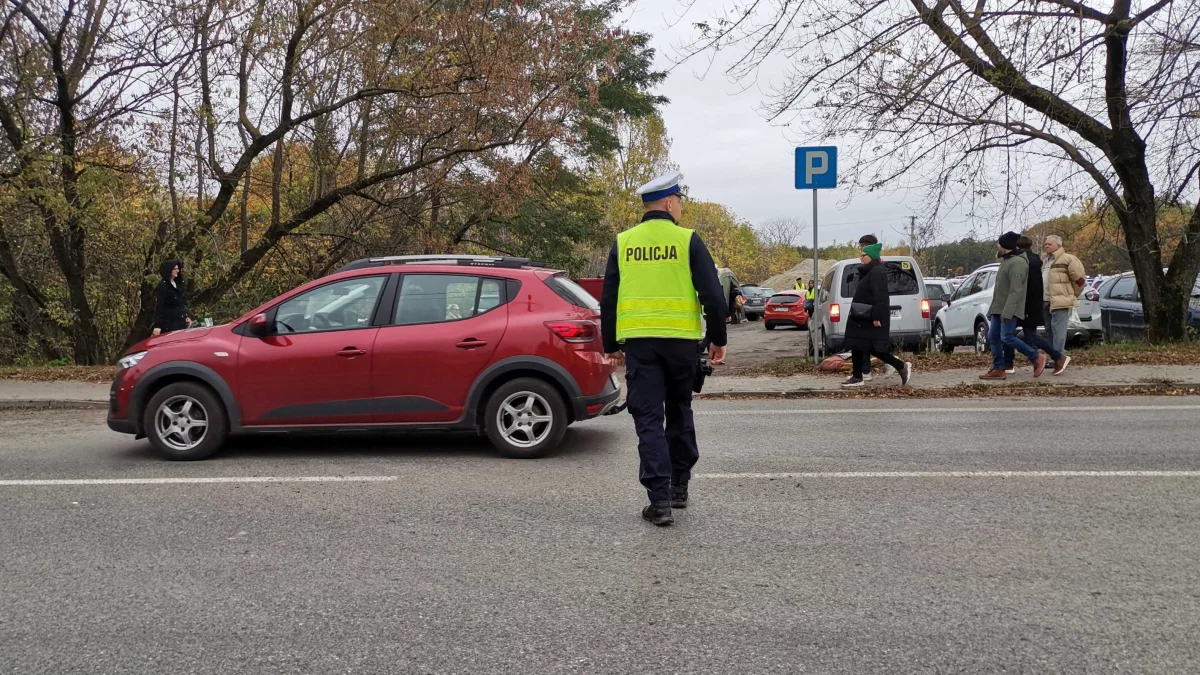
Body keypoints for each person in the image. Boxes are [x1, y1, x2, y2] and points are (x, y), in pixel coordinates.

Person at [601, 170, 729, 527]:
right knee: (679, 409)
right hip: (682, 345)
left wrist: (611, 345)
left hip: (641, 346)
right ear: (671, 203)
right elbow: (713, 296)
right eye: (681, 202)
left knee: (648, 420)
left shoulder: (624, 242)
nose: (681, 208)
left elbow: (609, 298)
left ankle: (659, 503)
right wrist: (718, 338)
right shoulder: (688, 240)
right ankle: (679, 487)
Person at [840, 242, 912, 388]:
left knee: (872, 347)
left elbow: (881, 297)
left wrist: (877, 317)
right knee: (857, 345)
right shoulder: (868, 271)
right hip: (861, 317)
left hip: (870, 317)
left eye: (863, 255)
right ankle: (857, 376)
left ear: (871, 256)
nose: (861, 258)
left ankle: (900, 366)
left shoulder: (877, 272)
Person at [980, 232, 1047, 380]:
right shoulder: (1007, 261)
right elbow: (1001, 289)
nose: (998, 246)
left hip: (1008, 310)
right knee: (993, 337)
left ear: (1006, 246)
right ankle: (999, 368)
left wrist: (1008, 312)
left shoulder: (1017, 263)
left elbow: (1015, 291)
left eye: (1000, 244)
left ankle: (1036, 357)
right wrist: (994, 309)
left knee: (1007, 337)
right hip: (999, 308)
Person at [1003, 236, 1069, 375]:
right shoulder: (1036, 260)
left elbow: (1029, 286)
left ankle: (1011, 362)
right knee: (1025, 335)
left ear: (1017, 247)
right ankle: (1055, 356)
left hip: (1025, 305)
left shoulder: (1025, 262)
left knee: (1007, 335)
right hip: (1031, 304)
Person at [1041, 235, 1086, 358]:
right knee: (1049, 331)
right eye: (1046, 244)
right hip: (1045, 300)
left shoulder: (1068, 259)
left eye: (1050, 244)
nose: (1047, 246)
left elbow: (1080, 281)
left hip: (1060, 302)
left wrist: (1070, 296)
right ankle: (1052, 357)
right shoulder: (1045, 261)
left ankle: (1059, 358)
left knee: (1058, 331)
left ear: (1059, 245)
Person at [152, 259, 191, 336]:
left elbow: (181, 304)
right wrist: (157, 326)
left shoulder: (178, 284)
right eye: (175, 269)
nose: (177, 271)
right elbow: (160, 306)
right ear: (169, 270)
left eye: (178, 269)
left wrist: (185, 316)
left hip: (180, 323)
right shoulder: (163, 286)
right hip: (169, 324)